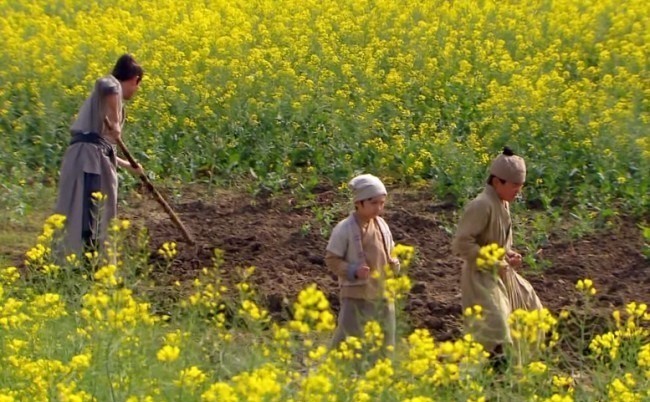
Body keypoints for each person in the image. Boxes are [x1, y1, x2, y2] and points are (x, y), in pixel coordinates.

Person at [452, 147, 542, 370]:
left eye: (520, 187)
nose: (517, 192)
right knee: (497, 326)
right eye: (514, 186)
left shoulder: (503, 204)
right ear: (497, 182)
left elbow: (498, 244)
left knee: (532, 310)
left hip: (502, 273)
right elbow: (461, 243)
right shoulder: (481, 205)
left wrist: (508, 254)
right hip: (481, 277)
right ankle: (484, 375)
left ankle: (514, 370)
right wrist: (492, 260)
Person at [55, 54, 144, 257]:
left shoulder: (113, 100)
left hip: (97, 157)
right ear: (134, 79)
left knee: (98, 212)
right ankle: (83, 264)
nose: (136, 90)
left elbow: (105, 146)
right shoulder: (110, 85)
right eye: (138, 85)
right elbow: (106, 85)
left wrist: (127, 166)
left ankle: (91, 262)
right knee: (89, 212)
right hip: (87, 159)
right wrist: (115, 121)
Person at [325, 173, 400, 351]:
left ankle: (381, 371)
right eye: (374, 203)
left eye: (382, 203)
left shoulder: (382, 225)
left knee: (385, 337)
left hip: (383, 291)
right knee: (348, 337)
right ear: (359, 203)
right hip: (356, 293)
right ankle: (338, 371)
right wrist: (352, 270)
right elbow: (332, 259)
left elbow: (391, 250)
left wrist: (394, 263)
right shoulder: (344, 228)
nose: (379, 208)